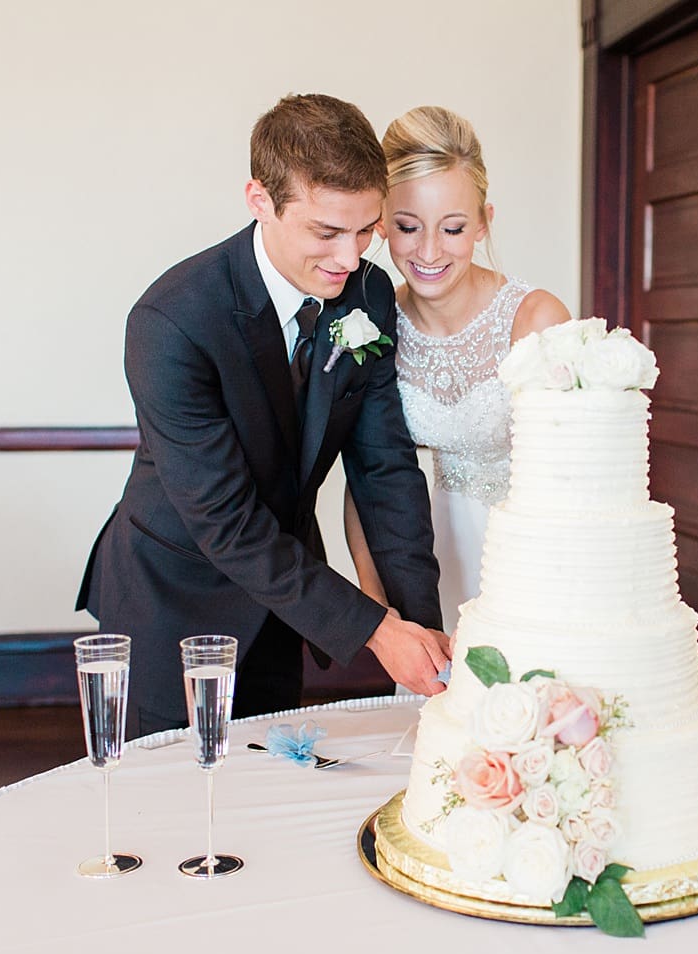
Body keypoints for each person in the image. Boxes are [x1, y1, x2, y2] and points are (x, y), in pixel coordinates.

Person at [77, 94, 450, 737]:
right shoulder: (172, 321)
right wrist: (376, 629)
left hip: (284, 603)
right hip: (174, 596)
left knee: (270, 791)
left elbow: (384, 466)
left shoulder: (366, 296)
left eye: (367, 230)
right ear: (260, 200)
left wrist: (422, 630)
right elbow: (226, 521)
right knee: (171, 803)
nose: (349, 256)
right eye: (326, 232)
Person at [343, 106, 571, 647]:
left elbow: (577, 480)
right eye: (406, 227)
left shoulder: (536, 320)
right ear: (380, 223)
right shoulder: (376, 327)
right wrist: (380, 612)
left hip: (535, 570)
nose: (428, 251)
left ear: (484, 221)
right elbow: (366, 478)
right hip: (425, 570)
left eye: (452, 228)